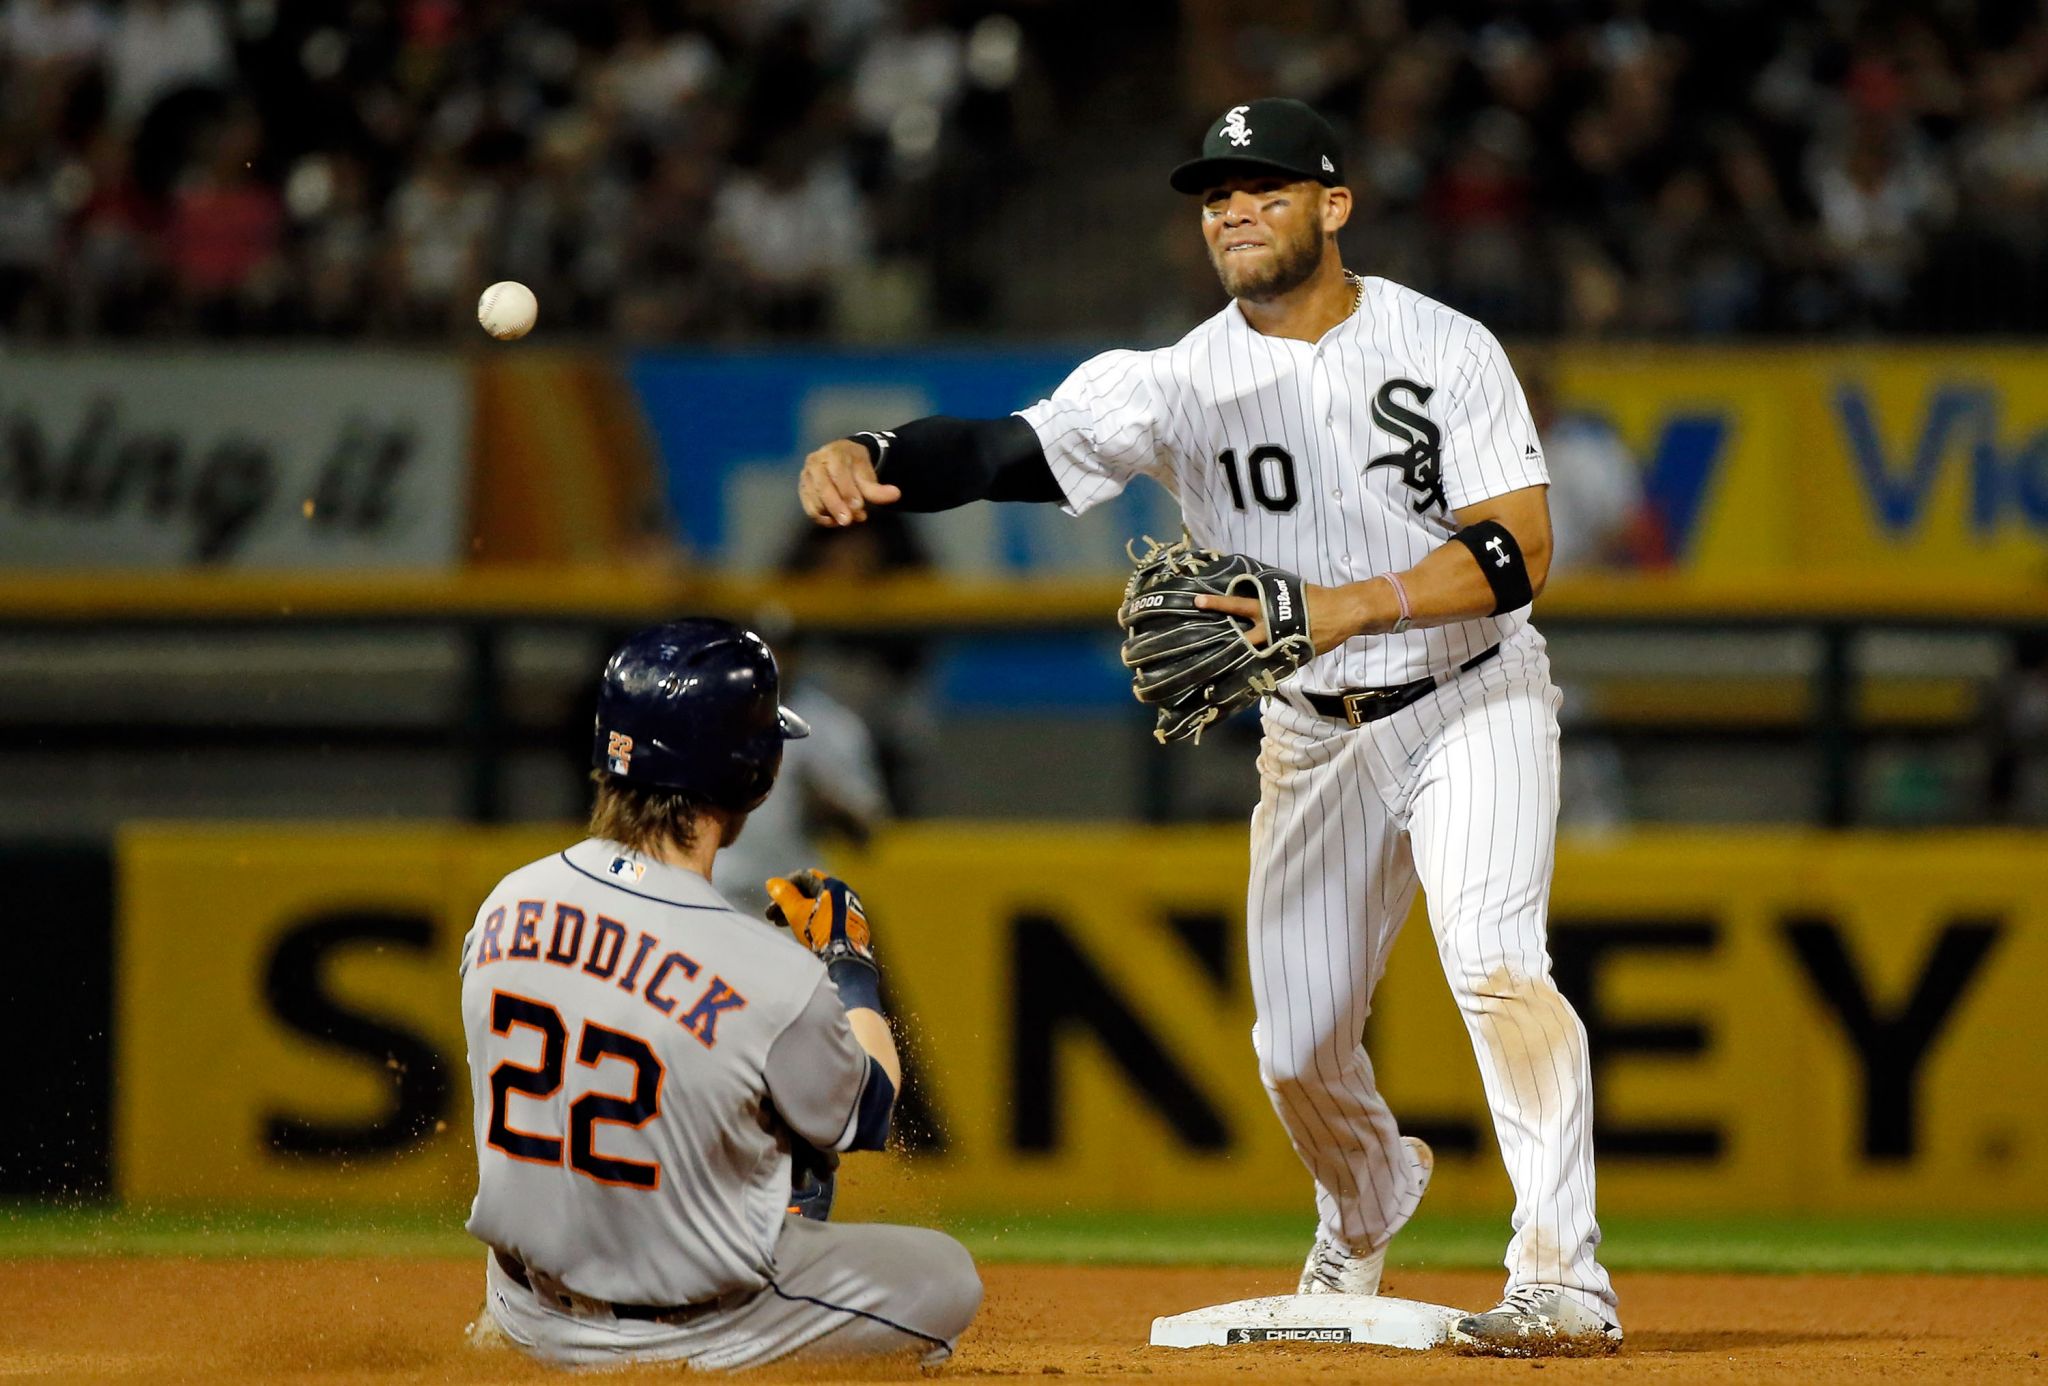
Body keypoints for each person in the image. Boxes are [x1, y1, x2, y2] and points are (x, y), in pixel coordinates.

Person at [796, 98, 1620, 1354]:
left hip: (1472, 694)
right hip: (1306, 734)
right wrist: (873, 446)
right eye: (1214, 192)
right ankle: (1365, 1200)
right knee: (1293, 1050)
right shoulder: (1173, 380)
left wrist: (1355, 602)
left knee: (1495, 961)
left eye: (1266, 185)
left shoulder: (1445, 346)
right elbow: (1008, 449)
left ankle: (1561, 1275)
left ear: (1332, 205)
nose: (1232, 207)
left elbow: (1517, 553)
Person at [460, 617, 981, 1368]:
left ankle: (513, 1326)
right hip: (696, 1331)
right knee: (946, 1277)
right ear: (755, 775)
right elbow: (869, 1111)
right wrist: (849, 968)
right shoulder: (763, 967)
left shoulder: (508, 901)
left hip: (528, 1309)